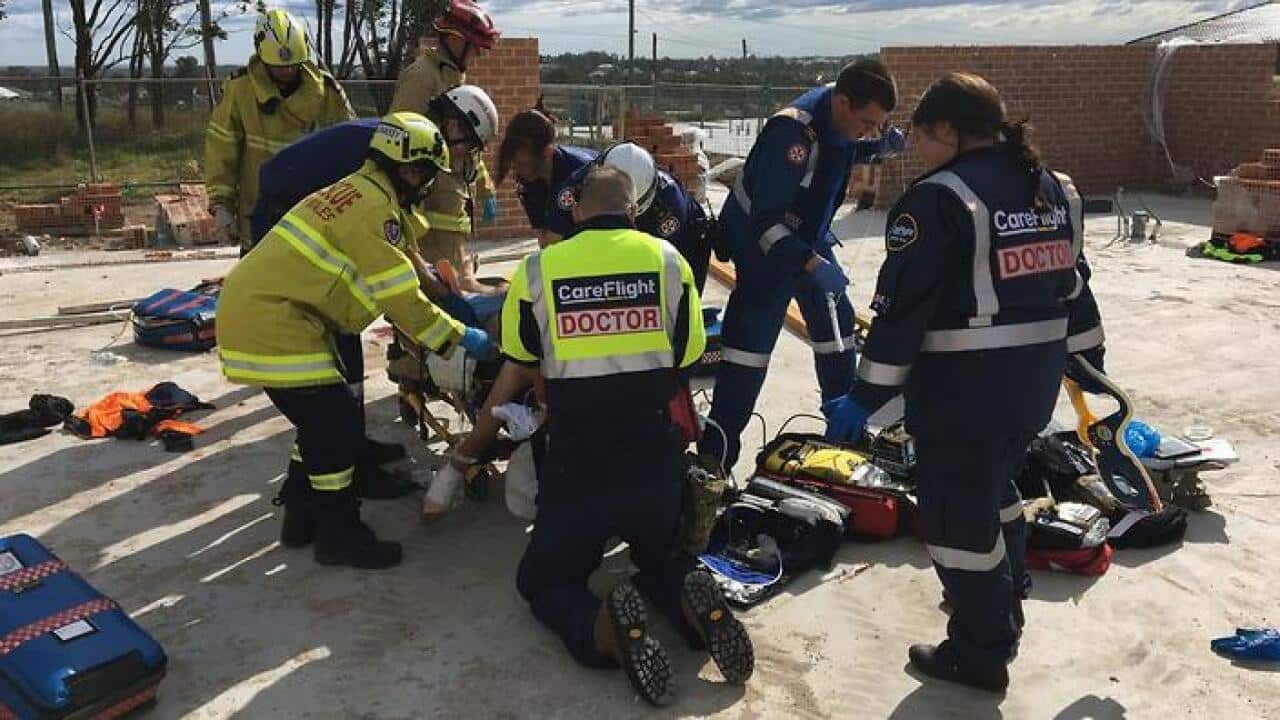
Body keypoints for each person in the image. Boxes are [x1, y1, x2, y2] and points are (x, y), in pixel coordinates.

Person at [823, 73, 1105, 692]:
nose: (917, 149)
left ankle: (981, 649)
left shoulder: (938, 199)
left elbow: (903, 314)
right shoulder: (1054, 188)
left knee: (952, 520)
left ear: (947, 130)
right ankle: (1005, 590)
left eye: (922, 136)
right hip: (1032, 385)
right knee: (993, 486)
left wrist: (864, 397)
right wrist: (1094, 376)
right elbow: (1075, 286)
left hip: (964, 390)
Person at [502, 165, 753, 705]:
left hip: (578, 458)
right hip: (653, 454)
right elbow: (690, 355)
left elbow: (522, 357)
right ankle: (687, 599)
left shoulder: (539, 269)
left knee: (545, 581)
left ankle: (603, 632)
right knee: (661, 555)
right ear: (634, 211)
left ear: (576, 211)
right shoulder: (668, 261)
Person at [217, 112, 497, 570]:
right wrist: (462, 338)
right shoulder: (372, 211)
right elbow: (402, 301)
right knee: (335, 428)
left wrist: (445, 297)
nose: (429, 186)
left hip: (272, 315)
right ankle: (338, 534)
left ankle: (301, 517)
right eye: (428, 175)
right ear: (410, 170)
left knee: (320, 420)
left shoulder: (361, 192)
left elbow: (411, 267)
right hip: (276, 323)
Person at [249, 85, 503, 499]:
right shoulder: (395, 151)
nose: (462, 159)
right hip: (281, 215)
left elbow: (398, 235)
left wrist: (431, 282)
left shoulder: (405, 144)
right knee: (332, 343)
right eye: (467, 147)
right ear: (454, 125)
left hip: (292, 205)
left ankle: (351, 443)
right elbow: (389, 257)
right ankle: (347, 466)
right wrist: (451, 327)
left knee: (343, 344)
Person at [698, 59, 905, 470]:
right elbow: (766, 224)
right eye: (867, 122)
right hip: (765, 251)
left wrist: (877, 148)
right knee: (746, 359)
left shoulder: (839, 116)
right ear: (844, 102)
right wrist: (811, 263)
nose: (869, 129)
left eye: (876, 125)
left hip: (805, 239)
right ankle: (714, 466)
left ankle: (845, 442)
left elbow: (841, 151)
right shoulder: (791, 132)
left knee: (837, 332)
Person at [205, 8, 354, 251]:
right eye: (278, 67)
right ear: (262, 57)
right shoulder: (240, 91)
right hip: (259, 214)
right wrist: (221, 205)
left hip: (313, 214)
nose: (286, 71)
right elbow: (221, 151)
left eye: (292, 65)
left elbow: (348, 151)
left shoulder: (328, 93)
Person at [391, 0, 503, 295]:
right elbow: (399, 137)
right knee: (439, 289)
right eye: (474, 46)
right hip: (431, 206)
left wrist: (485, 185)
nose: (477, 54)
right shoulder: (421, 77)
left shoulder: (453, 76)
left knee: (453, 281)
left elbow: (466, 145)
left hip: (451, 201)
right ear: (455, 39)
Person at [543, 141, 713, 292]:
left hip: (687, 239)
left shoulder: (670, 207)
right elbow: (554, 241)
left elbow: (664, 269)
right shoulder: (576, 187)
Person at [496, 106, 597, 246]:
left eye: (522, 164)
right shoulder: (528, 181)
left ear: (547, 152)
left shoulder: (580, 173)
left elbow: (557, 239)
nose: (517, 171)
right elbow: (544, 240)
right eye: (514, 165)